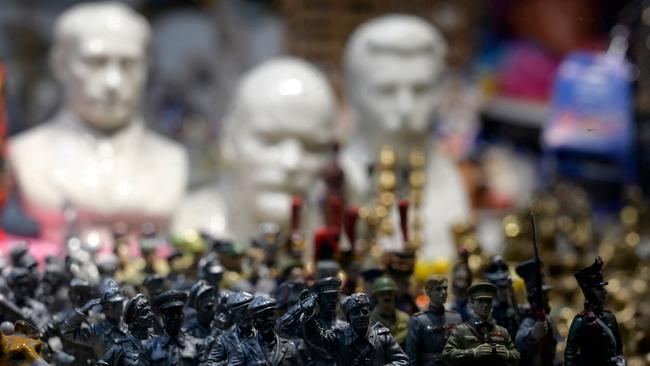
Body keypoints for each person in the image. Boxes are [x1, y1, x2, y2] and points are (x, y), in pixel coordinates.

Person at [8, 2, 188, 246]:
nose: (113, 82)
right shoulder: (26, 152)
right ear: (60, 64)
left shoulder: (171, 158)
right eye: (95, 63)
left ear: (146, 67)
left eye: (128, 64)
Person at [341, 15, 469, 261]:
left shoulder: (450, 180)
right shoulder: (338, 185)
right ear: (353, 92)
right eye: (386, 91)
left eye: (421, 90)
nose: (406, 108)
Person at [173, 57, 336, 250]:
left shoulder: (331, 240)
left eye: (312, 146)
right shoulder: (186, 225)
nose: (291, 163)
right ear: (228, 140)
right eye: (269, 141)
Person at [300, 292, 409, 366]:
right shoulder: (338, 336)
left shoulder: (382, 337)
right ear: (348, 318)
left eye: (365, 312)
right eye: (356, 313)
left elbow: (402, 360)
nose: (361, 316)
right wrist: (308, 315)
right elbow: (316, 338)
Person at [564, 257, 626, 366]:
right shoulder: (580, 320)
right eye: (598, 289)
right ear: (589, 292)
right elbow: (570, 353)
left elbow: (618, 347)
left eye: (603, 289)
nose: (604, 293)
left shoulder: (610, 317)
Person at [442, 283, 519, 366]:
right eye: (480, 301)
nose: (485, 305)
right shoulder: (460, 331)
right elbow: (447, 355)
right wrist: (473, 352)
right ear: (471, 304)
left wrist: (508, 354)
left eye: (488, 301)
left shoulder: (502, 331)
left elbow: (517, 355)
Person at [62, 281, 128, 358]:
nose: (118, 308)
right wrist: (83, 311)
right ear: (105, 307)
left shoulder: (130, 324)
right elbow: (67, 332)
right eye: (113, 305)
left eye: (120, 303)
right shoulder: (96, 331)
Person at [405, 276, 462, 365]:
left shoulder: (455, 317)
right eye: (438, 289)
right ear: (428, 292)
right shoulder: (419, 320)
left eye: (445, 289)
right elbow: (412, 354)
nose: (443, 292)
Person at [514, 259, 558, 366]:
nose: (546, 299)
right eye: (543, 296)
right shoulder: (528, 320)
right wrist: (533, 334)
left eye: (546, 295)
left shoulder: (549, 318)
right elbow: (520, 342)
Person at [237, 295, 302, 366]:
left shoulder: (290, 348)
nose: (268, 320)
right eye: (262, 317)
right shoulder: (244, 349)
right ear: (254, 322)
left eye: (270, 315)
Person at [142, 290, 202, 366]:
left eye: (178, 313)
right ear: (162, 316)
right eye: (170, 313)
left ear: (183, 315)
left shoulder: (197, 345)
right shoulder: (149, 348)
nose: (175, 317)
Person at [97, 293, 154, 366]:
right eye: (145, 312)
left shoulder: (158, 342)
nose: (151, 315)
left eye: (150, 310)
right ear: (135, 320)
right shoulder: (121, 346)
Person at [206, 291, 255, 366]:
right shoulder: (224, 340)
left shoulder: (263, 335)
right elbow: (210, 363)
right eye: (242, 312)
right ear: (234, 315)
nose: (247, 316)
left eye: (249, 312)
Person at [484, 257, 520, 337]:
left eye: (505, 287)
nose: (504, 292)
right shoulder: (485, 313)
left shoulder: (515, 309)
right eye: (500, 287)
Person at [369, 276, 410, 347]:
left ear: (395, 295)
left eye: (390, 293)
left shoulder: (405, 318)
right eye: (382, 294)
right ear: (376, 297)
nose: (387, 297)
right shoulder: (370, 321)